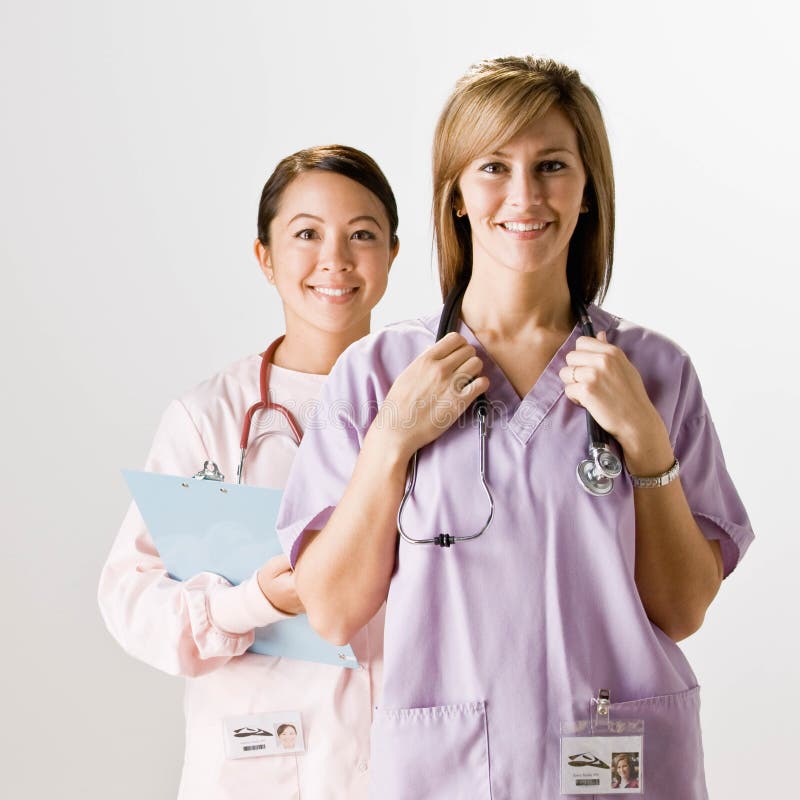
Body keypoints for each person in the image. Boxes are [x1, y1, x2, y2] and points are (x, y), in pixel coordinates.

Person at [275, 57, 754, 799]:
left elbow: (682, 609)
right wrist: (392, 441)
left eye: (552, 165)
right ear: (457, 195)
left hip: (615, 771)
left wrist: (647, 444)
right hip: (451, 772)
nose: (524, 195)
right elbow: (333, 611)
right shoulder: (379, 374)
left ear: (588, 188)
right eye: (494, 166)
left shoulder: (654, 372)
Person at [98, 144, 399, 799]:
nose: (336, 259)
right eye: (306, 234)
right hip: (262, 767)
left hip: (409, 765)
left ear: (393, 255)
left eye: (362, 235)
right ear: (263, 257)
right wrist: (250, 603)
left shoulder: (430, 403)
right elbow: (130, 601)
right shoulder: (210, 417)